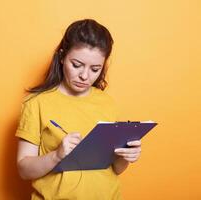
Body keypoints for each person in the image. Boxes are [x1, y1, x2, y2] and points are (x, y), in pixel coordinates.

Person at [15, 19, 142, 200]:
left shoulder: (107, 102)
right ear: (61, 57)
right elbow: (24, 170)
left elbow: (115, 168)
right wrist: (56, 155)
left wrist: (126, 155)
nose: (84, 75)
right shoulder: (36, 103)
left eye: (95, 69)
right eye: (76, 65)